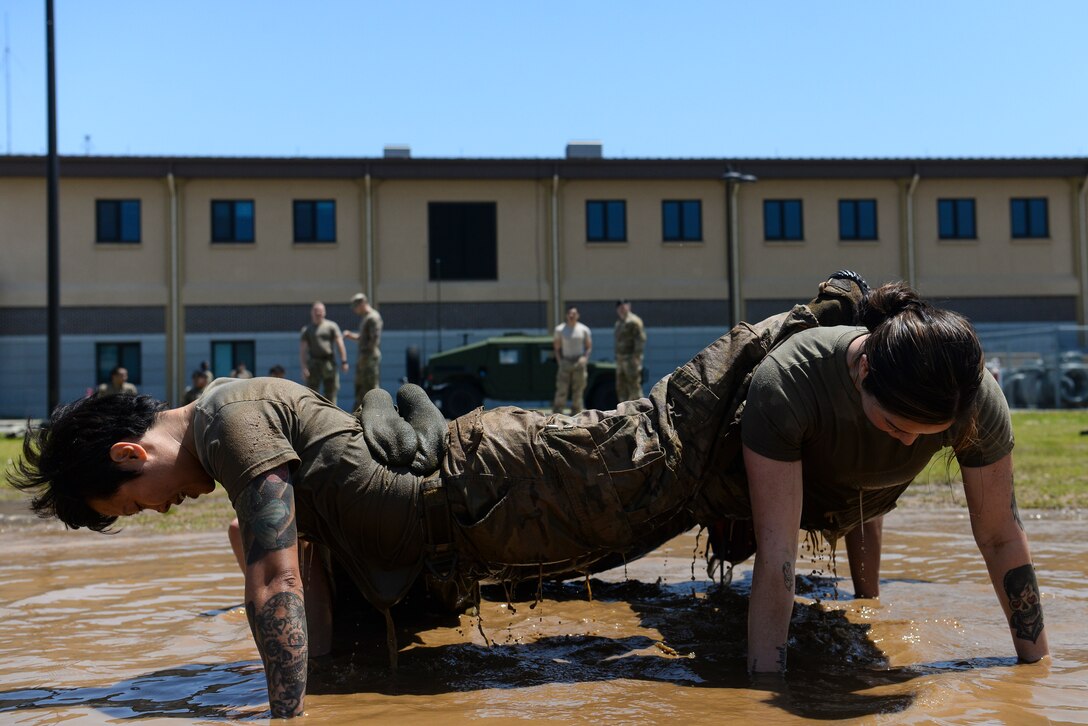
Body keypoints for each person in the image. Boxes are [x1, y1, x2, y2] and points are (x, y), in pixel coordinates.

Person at [11, 272, 1048, 718]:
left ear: (129, 464)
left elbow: (280, 579)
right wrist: (317, 692)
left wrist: (287, 720)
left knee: (647, 468)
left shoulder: (233, 421)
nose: (155, 517)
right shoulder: (242, 455)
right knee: (645, 483)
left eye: (130, 514)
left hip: (500, 483)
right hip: (469, 511)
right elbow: (292, 571)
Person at [299, 301, 349, 406]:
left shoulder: (331, 326)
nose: (318, 313)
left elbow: (340, 343)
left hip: (329, 363)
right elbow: (303, 349)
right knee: (311, 393)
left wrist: (344, 361)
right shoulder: (307, 330)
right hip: (313, 363)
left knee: (331, 393)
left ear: (324, 312)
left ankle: (332, 417)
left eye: (321, 311)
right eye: (316, 311)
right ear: (312, 313)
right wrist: (304, 367)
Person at [344, 292, 383, 411]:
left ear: (362, 304)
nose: (355, 310)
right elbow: (364, 337)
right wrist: (351, 336)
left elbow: (374, 340)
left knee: (371, 390)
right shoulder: (366, 318)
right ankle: (358, 415)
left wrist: (365, 356)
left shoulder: (373, 317)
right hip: (364, 359)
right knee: (360, 390)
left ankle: (377, 415)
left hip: (369, 359)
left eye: (356, 307)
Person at [552, 306, 592, 413]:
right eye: (569, 313)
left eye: (574, 314)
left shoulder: (584, 329)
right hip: (566, 361)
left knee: (578, 390)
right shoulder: (560, 329)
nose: (571, 316)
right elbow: (556, 347)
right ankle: (557, 412)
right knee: (561, 389)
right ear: (567, 315)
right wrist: (560, 361)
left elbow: (588, 347)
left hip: (579, 362)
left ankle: (576, 412)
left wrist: (585, 358)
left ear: (577, 315)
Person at [613, 299, 646, 403]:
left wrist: (637, 357)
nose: (622, 309)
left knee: (634, 386)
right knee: (621, 386)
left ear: (629, 307)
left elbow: (640, 339)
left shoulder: (634, 321)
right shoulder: (618, 323)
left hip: (631, 359)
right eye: (619, 307)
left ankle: (641, 410)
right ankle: (624, 412)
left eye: (624, 306)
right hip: (620, 360)